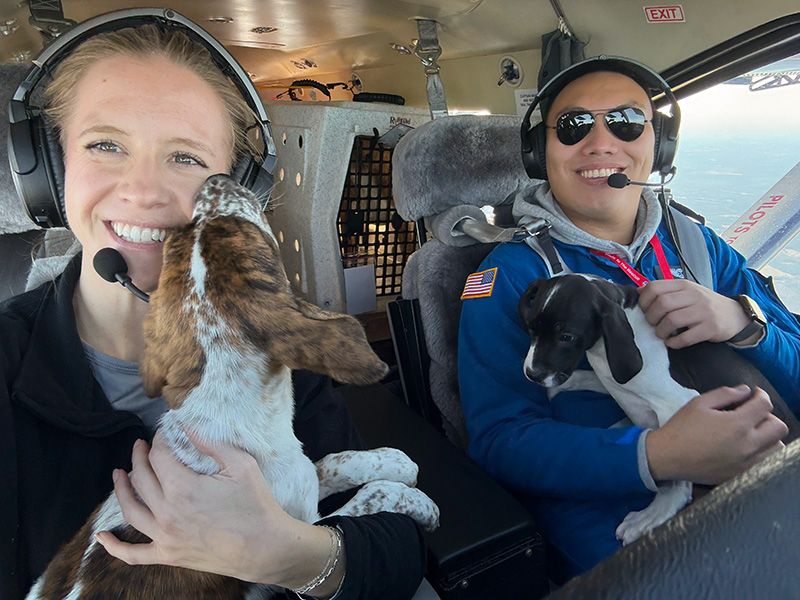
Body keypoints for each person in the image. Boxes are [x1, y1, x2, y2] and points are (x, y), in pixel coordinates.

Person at [1, 11, 425, 600]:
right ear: (47, 171)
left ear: (241, 182)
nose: (143, 191)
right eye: (105, 145)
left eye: (186, 157)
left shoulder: (272, 343)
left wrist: (294, 557)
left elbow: (397, 556)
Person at [458, 56, 800, 583]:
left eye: (625, 122)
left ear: (657, 146)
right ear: (538, 152)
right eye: (573, 127)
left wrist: (743, 324)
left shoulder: (699, 246)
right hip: (617, 518)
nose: (600, 143)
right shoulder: (509, 276)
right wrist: (657, 455)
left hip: (767, 480)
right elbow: (499, 440)